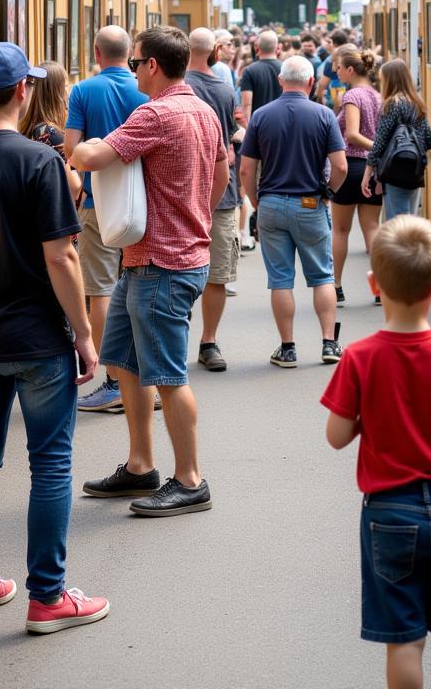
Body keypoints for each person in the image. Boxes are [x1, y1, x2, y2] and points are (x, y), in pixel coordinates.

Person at [0, 41, 108, 635]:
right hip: (36, 337)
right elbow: (61, 258)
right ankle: (47, 597)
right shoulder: (40, 162)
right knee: (50, 463)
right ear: (22, 92)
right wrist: (83, 335)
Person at [321, 215, 431, 689]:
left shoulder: (359, 357)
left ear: (375, 283)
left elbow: (336, 435)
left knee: (405, 640)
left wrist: (373, 417)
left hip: (389, 512)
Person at [74, 26, 229, 516]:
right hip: (159, 258)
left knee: (166, 375)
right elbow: (222, 171)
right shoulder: (202, 110)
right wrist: (196, 213)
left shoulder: (156, 112)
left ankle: (190, 480)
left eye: (137, 62)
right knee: (126, 364)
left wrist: (72, 146)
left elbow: (92, 155)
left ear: (152, 66)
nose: (134, 69)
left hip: (160, 263)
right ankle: (141, 465)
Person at [240, 54, 348, 367]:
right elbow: (340, 165)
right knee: (322, 276)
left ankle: (287, 348)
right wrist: (329, 192)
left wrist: (257, 202)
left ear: (279, 81)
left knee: (280, 280)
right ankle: (329, 344)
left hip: (272, 202)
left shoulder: (261, 116)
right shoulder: (324, 115)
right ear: (311, 81)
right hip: (310, 203)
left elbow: (247, 169)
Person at [65, 26, 148, 414]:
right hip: (141, 204)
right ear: (129, 54)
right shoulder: (144, 89)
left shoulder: (83, 91)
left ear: (96, 52)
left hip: (98, 203)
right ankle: (144, 378)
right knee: (137, 285)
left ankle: (113, 381)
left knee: (99, 289)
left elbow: (71, 150)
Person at [185, 28, 240, 372]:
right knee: (217, 274)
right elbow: (230, 140)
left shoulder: (177, 86)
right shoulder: (224, 90)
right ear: (215, 51)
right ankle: (209, 341)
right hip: (221, 193)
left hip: (183, 189)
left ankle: (179, 339)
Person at [330, 47, 383, 307]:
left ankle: (336, 287)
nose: (336, 71)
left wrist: (375, 147)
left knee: (340, 230)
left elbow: (351, 135)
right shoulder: (378, 96)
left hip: (351, 165)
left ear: (351, 70)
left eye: (339, 67)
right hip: (373, 170)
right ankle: (380, 288)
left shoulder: (352, 96)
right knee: (372, 228)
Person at [364, 58, 431, 220]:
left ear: (389, 80)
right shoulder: (417, 103)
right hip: (415, 170)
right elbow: (429, 140)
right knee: (410, 218)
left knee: (398, 222)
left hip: (395, 170)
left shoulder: (391, 104)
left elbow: (380, 142)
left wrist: (367, 173)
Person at [19, 59, 82, 201]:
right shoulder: (52, 134)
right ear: (56, 92)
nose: (69, 90)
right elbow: (74, 187)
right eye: (66, 85)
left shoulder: (31, 129)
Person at [239, 29, 282, 123]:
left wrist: (248, 129)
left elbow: (247, 104)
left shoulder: (249, 71)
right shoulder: (285, 68)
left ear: (257, 49)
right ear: (277, 48)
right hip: (282, 122)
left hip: (259, 124)